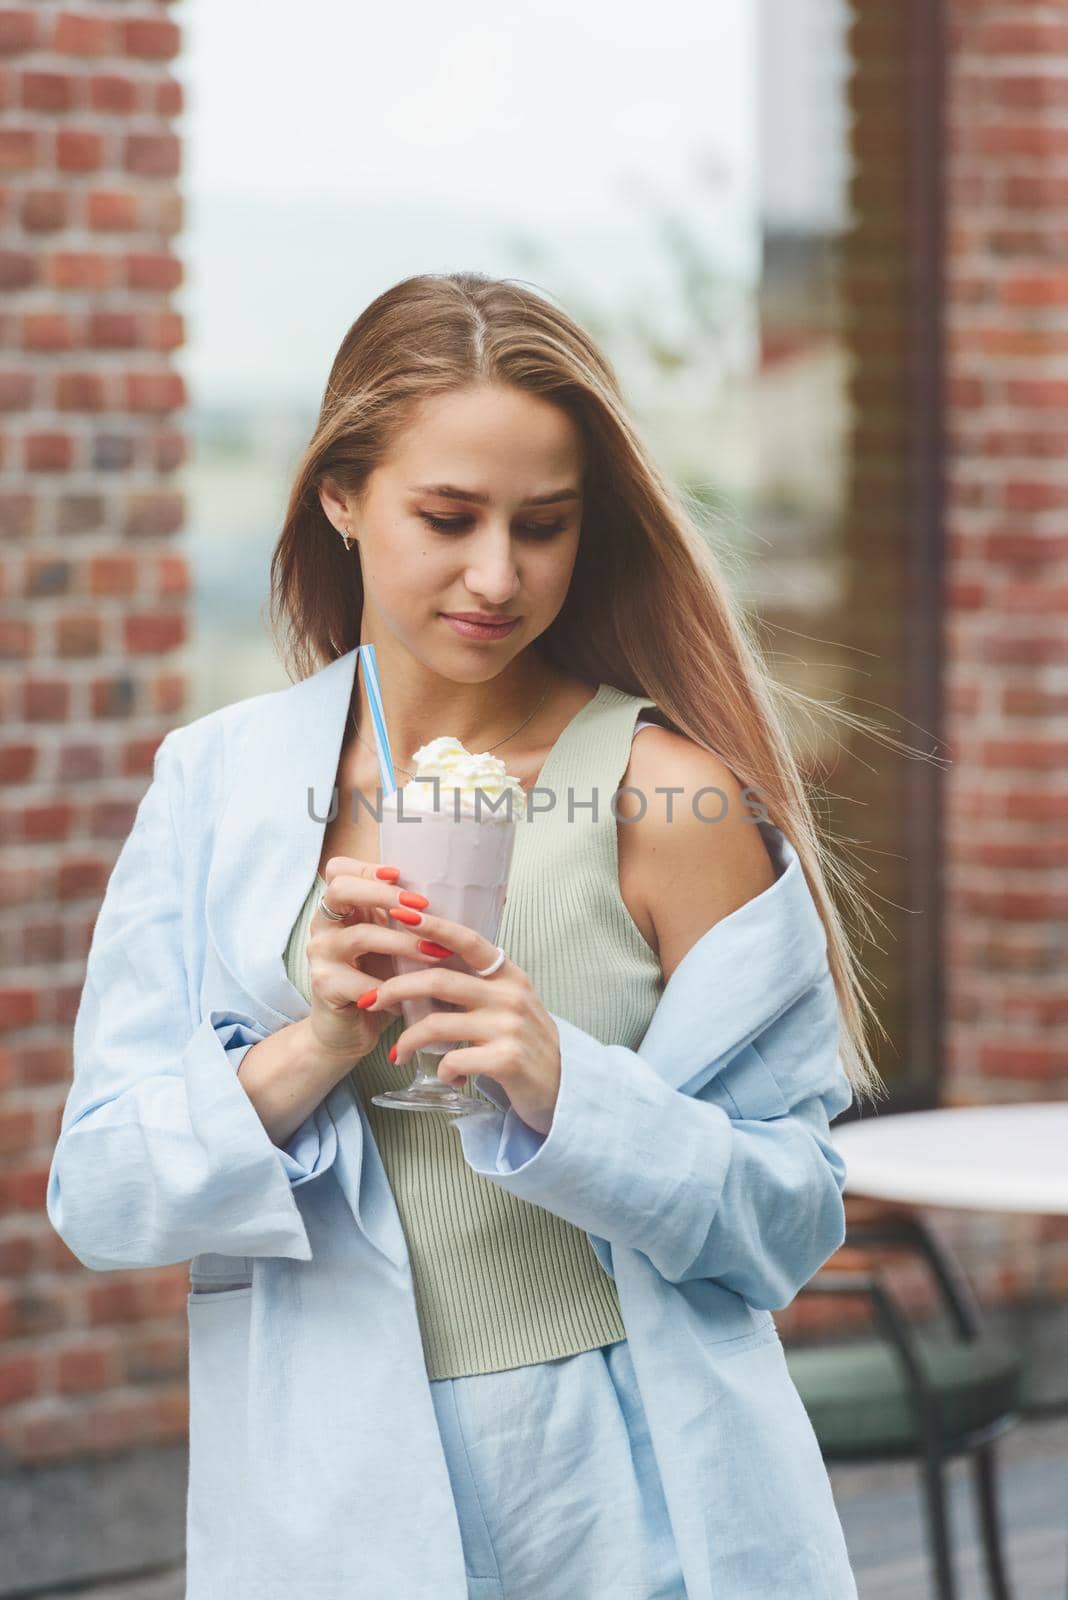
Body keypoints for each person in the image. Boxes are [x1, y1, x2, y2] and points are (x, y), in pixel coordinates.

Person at [48, 271, 889, 1599]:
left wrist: (571, 1092)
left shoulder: (670, 795)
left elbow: (788, 1222)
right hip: (326, 1506)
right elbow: (102, 1197)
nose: (497, 575)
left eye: (543, 527)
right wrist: (313, 1046)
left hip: (629, 1500)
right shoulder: (216, 788)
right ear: (341, 497)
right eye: (448, 517)